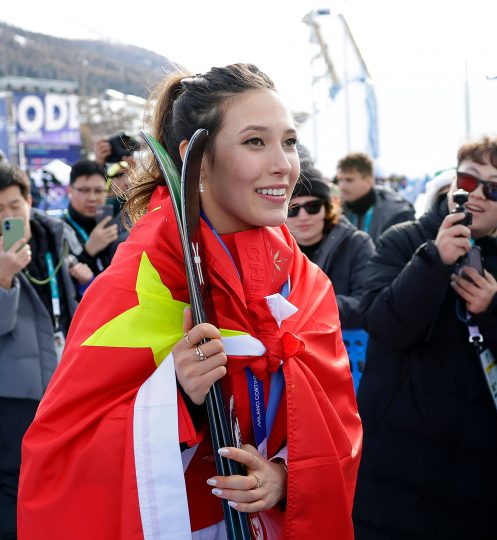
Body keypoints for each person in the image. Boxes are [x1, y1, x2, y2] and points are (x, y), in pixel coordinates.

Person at [18, 63, 362, 540]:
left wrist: (286, 476)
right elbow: (62, 453)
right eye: (255, 142)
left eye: (288, 141)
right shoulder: (138, 284)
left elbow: (338, 424)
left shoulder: (305, 283)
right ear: (195, 157)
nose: (284, 164)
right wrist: (174, 394)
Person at [353, 135, 497, 539]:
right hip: (394, 467)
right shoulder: (404, 240)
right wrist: (434, 260)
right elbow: (383, 324)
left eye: (494, 187)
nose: (477, 194)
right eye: (467, 180)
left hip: (476, 475)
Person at [0, 163, 85, 540]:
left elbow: (67, 305)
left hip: (60, 378)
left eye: (13, 206)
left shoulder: (53, 235)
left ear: (29, 200)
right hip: (13, 391)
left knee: (58, 477)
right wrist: (3, 278)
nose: (8, 216)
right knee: (15, 482)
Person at [286, 165, 374, 329]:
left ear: (327, 209)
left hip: (347, 346)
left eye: (313, 207)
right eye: (293, 209)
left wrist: (311, 305)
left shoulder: (357, 243)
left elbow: (368, 303)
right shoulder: (272, 249)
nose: (303, 217)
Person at [336, 151, 414, 244]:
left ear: (368, 181)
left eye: (349, 180)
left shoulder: (397, 214)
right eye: (340, 180)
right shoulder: (339, 211)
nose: (342, 186)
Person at [65, 159, 120, 280]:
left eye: (99, 191)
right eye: (84, 190)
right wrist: (88, 252)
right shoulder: (58, 230)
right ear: (70, 190)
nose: (92, 198)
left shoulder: (118, 225)